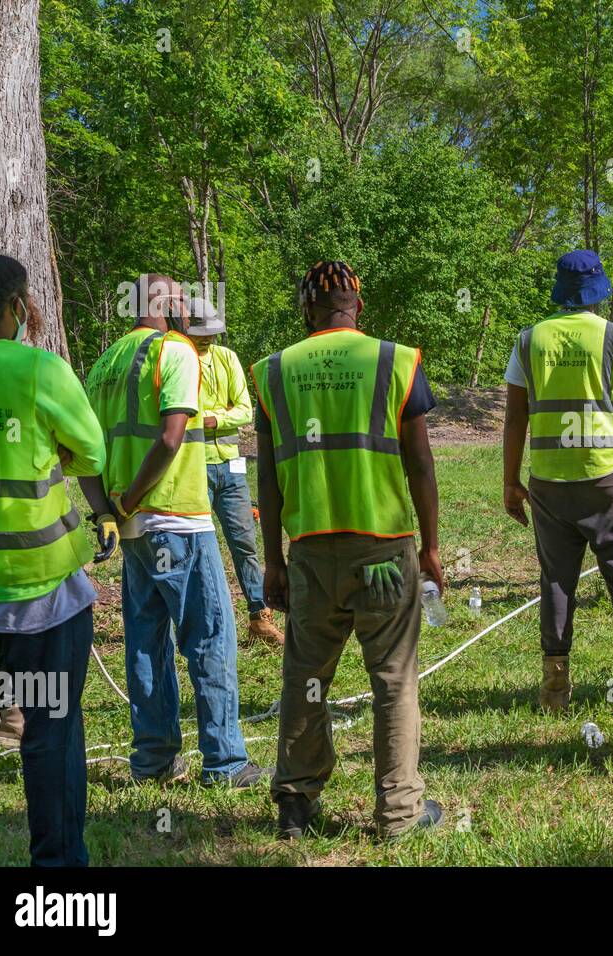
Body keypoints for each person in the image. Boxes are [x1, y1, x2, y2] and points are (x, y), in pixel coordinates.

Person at [252, 260, 444, 839]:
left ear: (308, 308)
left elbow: (267, 477)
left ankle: (295, 805)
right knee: (393, 680)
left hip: (310, 552)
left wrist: (273, 558)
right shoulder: (395, 360)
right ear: (357, 305)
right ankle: (399, 814)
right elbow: (420, 463)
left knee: (307, 678)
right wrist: (432, 548)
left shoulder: (273, 371)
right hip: (385, 550)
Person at [84, 273, 267, 787]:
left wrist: (109, 511)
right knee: (209, 636)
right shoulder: (176, 352)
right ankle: (226, 763)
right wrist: (133, 498)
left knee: (145, 642)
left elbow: (80, 453)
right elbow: (170, 438)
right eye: (182, 299)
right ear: (165, 303)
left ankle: (153, 760)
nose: (189, 308)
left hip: (134, 530)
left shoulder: (104, 363)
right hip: (178, 519)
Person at [0, 253, 106, 866]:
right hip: (41, 601)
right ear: (18, 307)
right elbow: (92, 452)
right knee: (50, 741)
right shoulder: (40, 371)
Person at [503, 250, 613, 715]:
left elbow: (515, 417)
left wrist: (510, 480)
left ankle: (554, 691)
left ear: (560, 290)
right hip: (608, 478)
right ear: (598, 292)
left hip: (548, 482)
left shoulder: (528, 340)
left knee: (557, 582)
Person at [186, 296, 283, 648]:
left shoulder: (228, 359)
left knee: (244, 543)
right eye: (201, 332)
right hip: (192, 468)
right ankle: (204, 622)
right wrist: (209, 415)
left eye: (212, 332)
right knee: (198, 550)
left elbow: (244, 410)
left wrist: (215, 417)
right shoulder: (179, 360)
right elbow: (179, 415)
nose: (207, 338)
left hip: (231, 466)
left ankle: (259, 615)